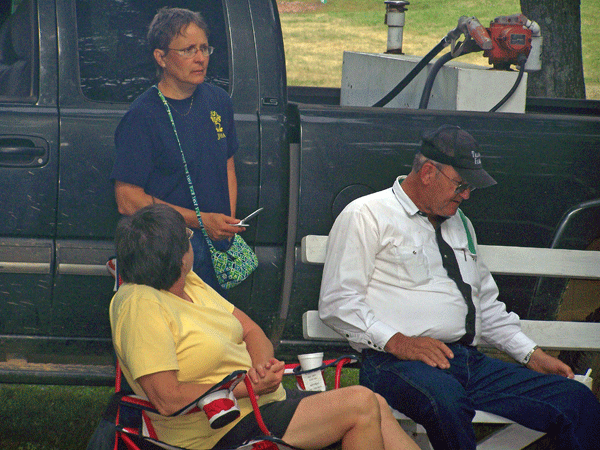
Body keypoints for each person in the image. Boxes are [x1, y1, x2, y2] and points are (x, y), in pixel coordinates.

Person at [319, 124, 600, 450]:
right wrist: (400, 342)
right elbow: (338, 302)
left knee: (574, 398)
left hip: (467, 362)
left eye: (471, 188)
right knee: (448, 402)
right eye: (461, 184)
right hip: (395, 364)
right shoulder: (367, 214)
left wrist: (531, 354)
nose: (466, 195)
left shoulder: (460, 223)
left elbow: (484, 304)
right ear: (427, 173)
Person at [108, 203, 419, 450]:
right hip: (214, 428)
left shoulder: (186, 280)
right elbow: (167, 397)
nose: (193, 242)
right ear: (176, 257)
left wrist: (262, 368)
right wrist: (249, 387)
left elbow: (250, 330)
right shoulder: (141, 305)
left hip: (261, 403)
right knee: (360, 404)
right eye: (188, 237)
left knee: (374, 403)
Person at [111, 7, 243, 297]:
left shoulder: (219, 100)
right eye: (187, 50)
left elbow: (228, 165)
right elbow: (126, 199)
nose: (200, 58)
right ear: (161, 57)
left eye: (204, 48)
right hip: (169, 253)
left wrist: (226, 221)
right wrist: (201, 221)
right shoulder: (143, 116)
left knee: (216, 330)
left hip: (216, 240)